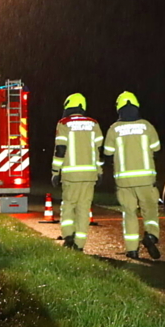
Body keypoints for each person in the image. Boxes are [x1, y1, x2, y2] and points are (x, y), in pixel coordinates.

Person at [103, 91, 162, 260]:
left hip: (124, 181)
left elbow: (108, 152)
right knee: (150, 212)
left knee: (129, 214)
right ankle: (150, 236)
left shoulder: (114, 129)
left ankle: (132, 250)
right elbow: (157, 148)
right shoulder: (147, 126)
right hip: (146, 179)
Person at [52, 93, 103, 252]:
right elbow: (98, 151)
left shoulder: (64, 124)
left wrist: (55, 171)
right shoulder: (94, 124)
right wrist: (100, 171)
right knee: (83, 209)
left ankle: (68, 237)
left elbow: (60, 149)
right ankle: (79, 244)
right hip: (89, 175)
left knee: (68, 206)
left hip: (71, 176)